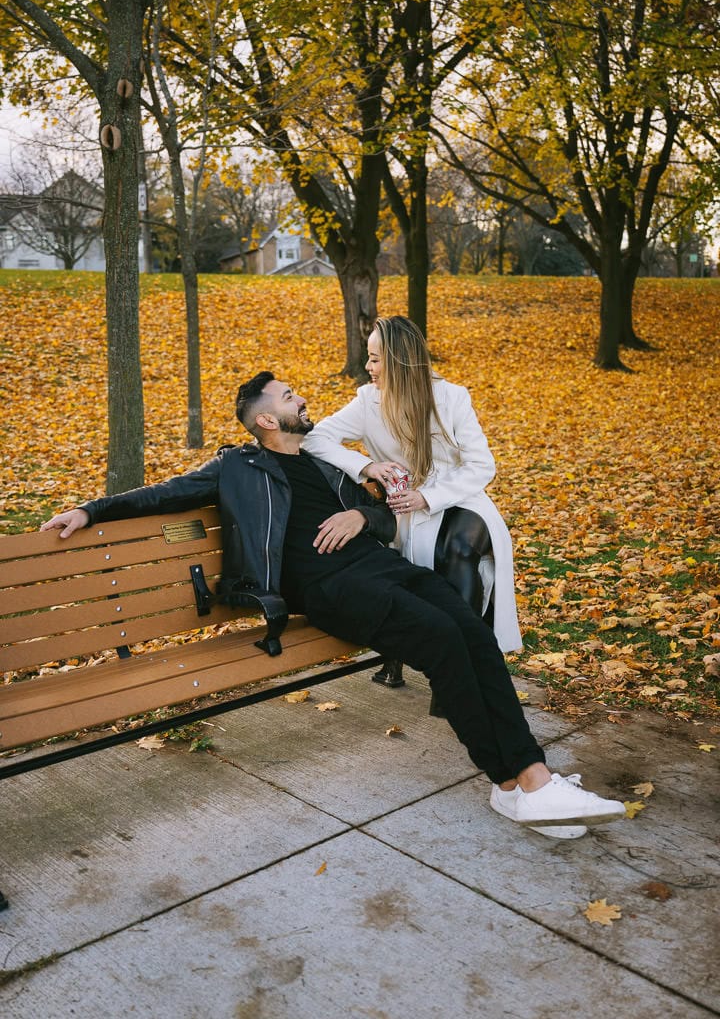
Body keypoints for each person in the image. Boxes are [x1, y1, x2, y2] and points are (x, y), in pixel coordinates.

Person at [42, 371, 626, 839]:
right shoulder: (238, 466)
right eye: (289, 396)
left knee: (469, 630)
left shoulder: (323, 459)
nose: (302, 399)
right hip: (327, 588)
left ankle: (520, 788)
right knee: (442, 640)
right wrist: (90, 510)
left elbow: (377, 514)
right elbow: (163, 492)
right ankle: (521, 776)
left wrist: (359, 515)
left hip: (378, 566)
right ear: (267, 419)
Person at [302, 315, 522, 659]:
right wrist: (367, 466)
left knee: (460, 550)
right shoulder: (367, 401)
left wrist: (428, 496)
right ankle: (454, 658)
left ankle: (465, 658)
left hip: (459, 497)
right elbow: (314, 438)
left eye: (375, 359)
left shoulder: (451, 397)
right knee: (434, 559)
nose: (367, 366)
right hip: (405, 509)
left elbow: (481, 465)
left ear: (399, 360)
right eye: (369, 357)